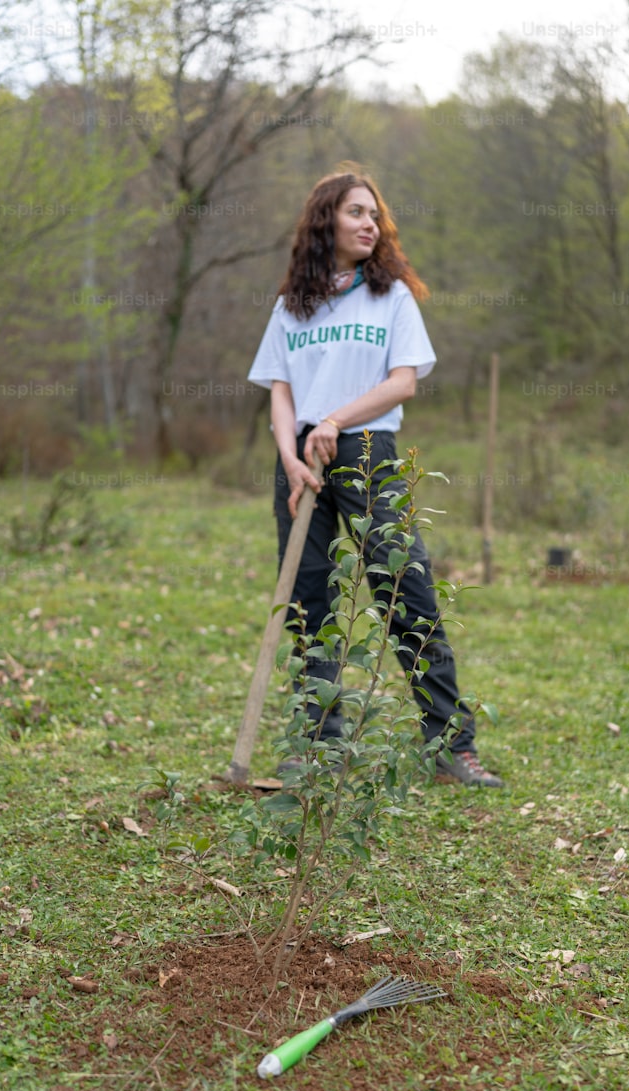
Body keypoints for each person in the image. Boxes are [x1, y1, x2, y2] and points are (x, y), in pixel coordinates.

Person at [247, 168, 503, 788]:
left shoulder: (390, 297)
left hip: (365, 449)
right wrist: (289, 455)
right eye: (357, 212)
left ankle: (450, 746)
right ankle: (316, 746)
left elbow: (402, 381)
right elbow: (281, 392)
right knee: (308, 604)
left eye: (375, 215)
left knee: (404, 594)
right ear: (324, 221)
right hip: (302, 459)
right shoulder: (292, 307)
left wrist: (334, 419)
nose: (371, 223)